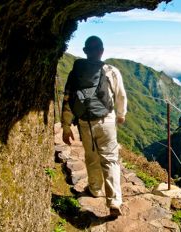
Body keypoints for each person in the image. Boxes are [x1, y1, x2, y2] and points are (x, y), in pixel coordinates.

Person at [61, 36, 127, 217]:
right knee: (110, 159)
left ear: (85, 51)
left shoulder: (75, 72)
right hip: (106, 121)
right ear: (102, 50)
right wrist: (121, 115)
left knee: (91, 156)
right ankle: (114, 201)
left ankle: (96, 189)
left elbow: (68, 98)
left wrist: (66, 126)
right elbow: (120, 96)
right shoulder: (111, 71)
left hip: (85, 122)